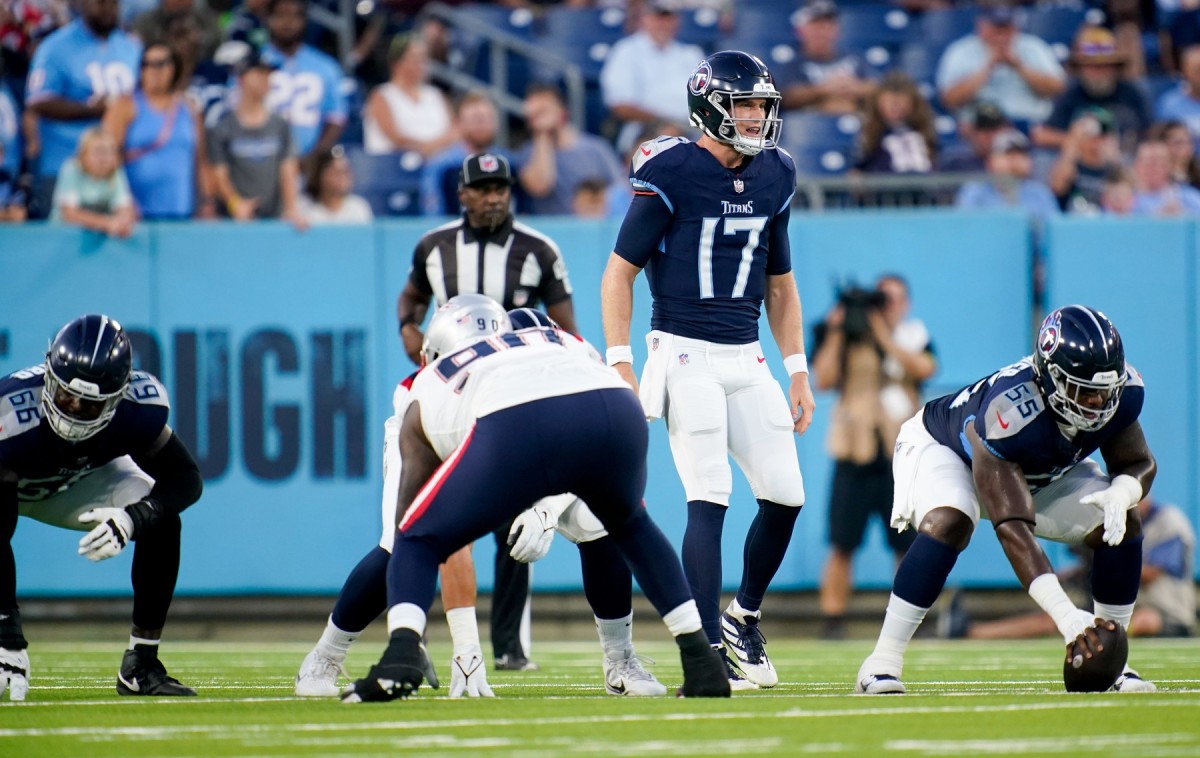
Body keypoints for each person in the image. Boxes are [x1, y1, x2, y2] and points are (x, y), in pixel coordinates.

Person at [339, 295, 730, 702]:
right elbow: (574, 403)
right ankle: (702, 663)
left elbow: (413, 525)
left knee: (418, 537)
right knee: (631, 525)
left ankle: (400, 659)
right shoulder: (558, 340)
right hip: (614, 407)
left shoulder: (427, 384)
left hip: (515, 421)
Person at [600, 50, 814, 691]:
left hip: (746, 355)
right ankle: (701, 652)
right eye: (744, 104)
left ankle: (740, 620)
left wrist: (796, 368)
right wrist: (621, 362)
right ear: (709, 106)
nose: (756, 117)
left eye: (761, 105)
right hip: (683, 350)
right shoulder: (673, 169)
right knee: (710, 494)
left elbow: (781, 283)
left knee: (786, 496)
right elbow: (620, 273)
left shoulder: (776, 173)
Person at [856, 304, 1158, 695]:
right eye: (1083, 391)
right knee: (951, 519)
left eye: (1104, 392)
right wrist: (1067, 617)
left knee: (1122, 522)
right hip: (946, 450)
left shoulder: (1122, 394)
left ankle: (1116, 662)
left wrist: (1123, 490)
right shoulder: (1011, 413)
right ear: (1050, 378)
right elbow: (1014, 529)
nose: (1096, 404)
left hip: (1038, 470)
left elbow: (1137, 462)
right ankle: (881, 660)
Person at [396, 152, 576, 671]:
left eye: (502, 187)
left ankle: (509, 644)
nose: (495, 195)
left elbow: (567, 327)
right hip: (450, 395)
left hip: (512, 394)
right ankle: (415, 634)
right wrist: (411, 333)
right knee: (428, 515)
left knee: (516, 517)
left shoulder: (539, 249)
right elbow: (409, 301)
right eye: (484, 187)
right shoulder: (434, 246)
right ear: (463, 193)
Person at [0, 314, 204, 701]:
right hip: (12, 485)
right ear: (49, 378)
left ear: (115, 398)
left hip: (77, 483)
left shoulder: (136, 410)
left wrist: (133, 519)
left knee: (161, 518)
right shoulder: (9, 414)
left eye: (89, 406)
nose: (73, 410)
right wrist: (7, 635)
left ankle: (141, 665)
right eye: (65, 396)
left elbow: (185, 477)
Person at [810, 275, 937, 641]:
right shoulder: (848, 337)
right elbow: (825, 377)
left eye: (893, 299)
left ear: (906, 303)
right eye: (881, 300)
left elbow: (925, 369)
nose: (887, 306)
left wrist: (883, 336)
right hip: (855, 448)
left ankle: (912, 615)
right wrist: (837, 330)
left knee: (908, 543)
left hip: (900, 452)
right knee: (841, 541)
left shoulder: (914, 335)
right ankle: (833, 619)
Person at [942, 496, 1195, 641]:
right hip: (1124, 607)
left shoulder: (1169, 522)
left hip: (1167, 612)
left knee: (1143, 621)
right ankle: (972, 632)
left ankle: (1107, 642)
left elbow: (1150, 574)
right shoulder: (1118, 520)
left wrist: (1100, 563)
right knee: (1059, 617)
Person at [24, 0, 141, 218]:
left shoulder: (130, 46)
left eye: (113, 3)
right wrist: (91, 110)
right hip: (64, 163)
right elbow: (38, 100)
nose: (107, 8)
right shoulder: (56, 47)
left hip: (116, 169)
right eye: (99, 3)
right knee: (62, 243)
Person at [101, 42, 209, 220]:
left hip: (181, 208)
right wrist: (121, 200)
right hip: (134, 212)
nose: (154, 70)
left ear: (173, 68)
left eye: (161, 64)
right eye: (147, 64)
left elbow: (200, 161)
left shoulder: (189, 109)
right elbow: (108, 156)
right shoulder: (125, 106)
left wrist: (207, 202)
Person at [206, 48, 305, 228]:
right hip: (233, 222)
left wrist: (291, 207)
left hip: (274, 219)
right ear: (241, 78)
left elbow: (288, 169)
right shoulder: (223, 128)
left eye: (268, 74)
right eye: (259, 73)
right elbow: (219, 175)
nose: (265, 79)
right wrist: (236, 204)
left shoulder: (280, 126)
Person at [599, 0, 704, 154]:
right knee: (669, 137)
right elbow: (620, 105)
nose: (664, 23)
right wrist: (666, 121)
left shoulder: (690, 54)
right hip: (645, 127)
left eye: (669, 17)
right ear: (645, 18)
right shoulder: (626, 50)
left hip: (693, 127)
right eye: (659, 17)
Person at [935, 4, 1065, 127]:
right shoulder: (960, 51)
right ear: (981, 26)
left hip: (1032, 123)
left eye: (1006, 27)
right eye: (996, 28)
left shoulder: (1033, 46)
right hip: (981, 126)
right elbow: (949, 99)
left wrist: (1019, 66)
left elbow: (1057, 89)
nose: (1001, 35)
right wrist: (987, 68)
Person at [1032, 26, 1151, 156]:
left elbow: (1150, 132)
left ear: (1115, 68)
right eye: (1091, 66)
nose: (1098, 72)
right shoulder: (1070, 93)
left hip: (1127, 158)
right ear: (1081, 69)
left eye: (1104, 65)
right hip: (1080, 163)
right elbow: (1042, 135)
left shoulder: (1132, 92)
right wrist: (1082, 143)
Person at [514, 82, 627, 217]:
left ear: (562, 113)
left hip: (592, 231)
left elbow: (621, 193)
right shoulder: (527, 153)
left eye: (544, 111)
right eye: (534, 114)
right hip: (552, 233)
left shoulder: (596, 148)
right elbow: (539, 186)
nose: (539, 118)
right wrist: (542, 134)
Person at [261, 0, 346, 169]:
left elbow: (336, 118)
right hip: (261, 164)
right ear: (268, 19)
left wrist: (314, 158)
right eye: (281, 15)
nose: (288, 22)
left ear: (305, 20)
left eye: (295, 16)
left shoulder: (326, 67)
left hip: (310, 166)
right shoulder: (253, 65)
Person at [363, 34, 457, 158]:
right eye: (415, 58)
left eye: (424, 59)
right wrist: (426, 149)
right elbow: (395, 138)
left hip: (437, 164)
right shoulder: (381, 95)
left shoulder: (436, 94)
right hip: (393, 166)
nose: (421, 64)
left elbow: (455, 131)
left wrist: (431, 149)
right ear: (396, 63)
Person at [778, 0, 875, 115]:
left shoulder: (854, 59)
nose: (822, 31)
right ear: (800, 30)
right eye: (816, 25)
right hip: (811, 126)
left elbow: (877, 88)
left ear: (837, 30)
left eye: (828, 24)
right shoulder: (793, 64)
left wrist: (853, 87)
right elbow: (785, 97)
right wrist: (823, 89)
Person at [419, 90, 503, 217]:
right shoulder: (442, 165)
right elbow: (432, 212)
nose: (481, 125)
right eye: (475, 119)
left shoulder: (507, 162)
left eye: (486, 119)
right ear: (459, 123)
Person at [954, 127, 1060, 221]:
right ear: (990, 162)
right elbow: (965, 230)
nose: (1014, 160)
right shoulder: (975, 192)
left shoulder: (1040, 193)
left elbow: (1052, 234)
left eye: (1021, 155)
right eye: (1007, 154)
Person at [50, 127, 137, 236]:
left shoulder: (116, 171)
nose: (103, 159)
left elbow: (124, 208)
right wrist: (107, 223)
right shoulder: (71, 169)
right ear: (82, 156)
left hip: (98, 236)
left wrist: (123, 223)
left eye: (109, 152)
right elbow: (70, 214)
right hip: (63, 236)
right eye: (97, 152)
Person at [854, 72, 937, 175]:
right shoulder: (871, 133)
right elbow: (859, 167)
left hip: (924, 185)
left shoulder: (925, 131)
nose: (895, 107)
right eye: (890, 102)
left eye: (901, 102)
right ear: (877, 102)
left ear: (913, 103)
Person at [1047, 106, 1122, 214]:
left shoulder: (1114, 168)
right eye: (1091, 133)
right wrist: (1072, 144)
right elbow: (1057, 187)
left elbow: (1132, 196)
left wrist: (1115, 159)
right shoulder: (1070, 163)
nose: (1097, 138)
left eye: (1103, 133)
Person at [298, 146, 374, 224]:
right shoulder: (304, 209)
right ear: (319, 176)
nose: (343, 178)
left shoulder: (359, 208)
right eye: (336, 172)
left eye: (346, 171)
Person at [1130, 137, 1200, 216]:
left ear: (1169, 166)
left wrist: (1183, 215)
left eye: (1160, 163)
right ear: (1136, 166)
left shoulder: (1188, 197)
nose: (1154, 169)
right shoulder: (1125, 200)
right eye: (1148, 163)